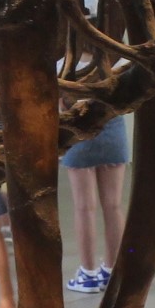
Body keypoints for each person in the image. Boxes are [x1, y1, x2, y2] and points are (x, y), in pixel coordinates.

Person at [64, 114, 128, 292]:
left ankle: (88, 275)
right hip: (114, 131)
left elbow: (63, 103)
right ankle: (111, 272)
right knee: (113, 206)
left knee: (84, 208)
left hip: (79, 131)